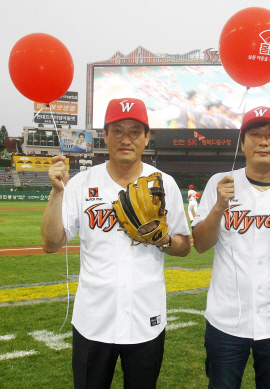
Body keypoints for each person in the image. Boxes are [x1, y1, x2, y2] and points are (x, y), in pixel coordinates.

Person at [41, 98, 191, 389]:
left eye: (135, 131)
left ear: (147, 137)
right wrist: (56, 192)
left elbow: (184, 245)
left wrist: (163, 240)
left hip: (146, 319)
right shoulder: (81, 183)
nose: (126, 139)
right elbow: (50, 243)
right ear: (105, 136)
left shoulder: (165, 183)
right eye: (118, 130)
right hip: (93, 322)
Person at [192, 106, 270, 389]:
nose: (263, 140)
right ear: (243, 142)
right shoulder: (220, 183)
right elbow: (201, 244)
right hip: (226, 320)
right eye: (255, 134)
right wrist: (218, 207)